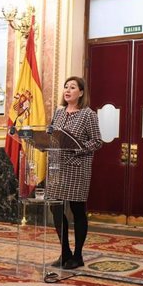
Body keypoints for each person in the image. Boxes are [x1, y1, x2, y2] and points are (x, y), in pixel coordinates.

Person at [45, 76, 103, 270]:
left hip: (77, 168)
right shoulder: (59, 113)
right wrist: (45, 141)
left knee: (77, 210)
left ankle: (77, 256)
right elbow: (51, 135)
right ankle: (65, 252)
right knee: (55, 208)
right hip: (56, 168)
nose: (67, 90)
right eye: (65, 87)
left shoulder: (88, 115)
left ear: (81, 92)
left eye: (72, 87)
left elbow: (97, 141)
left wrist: (75, 149)